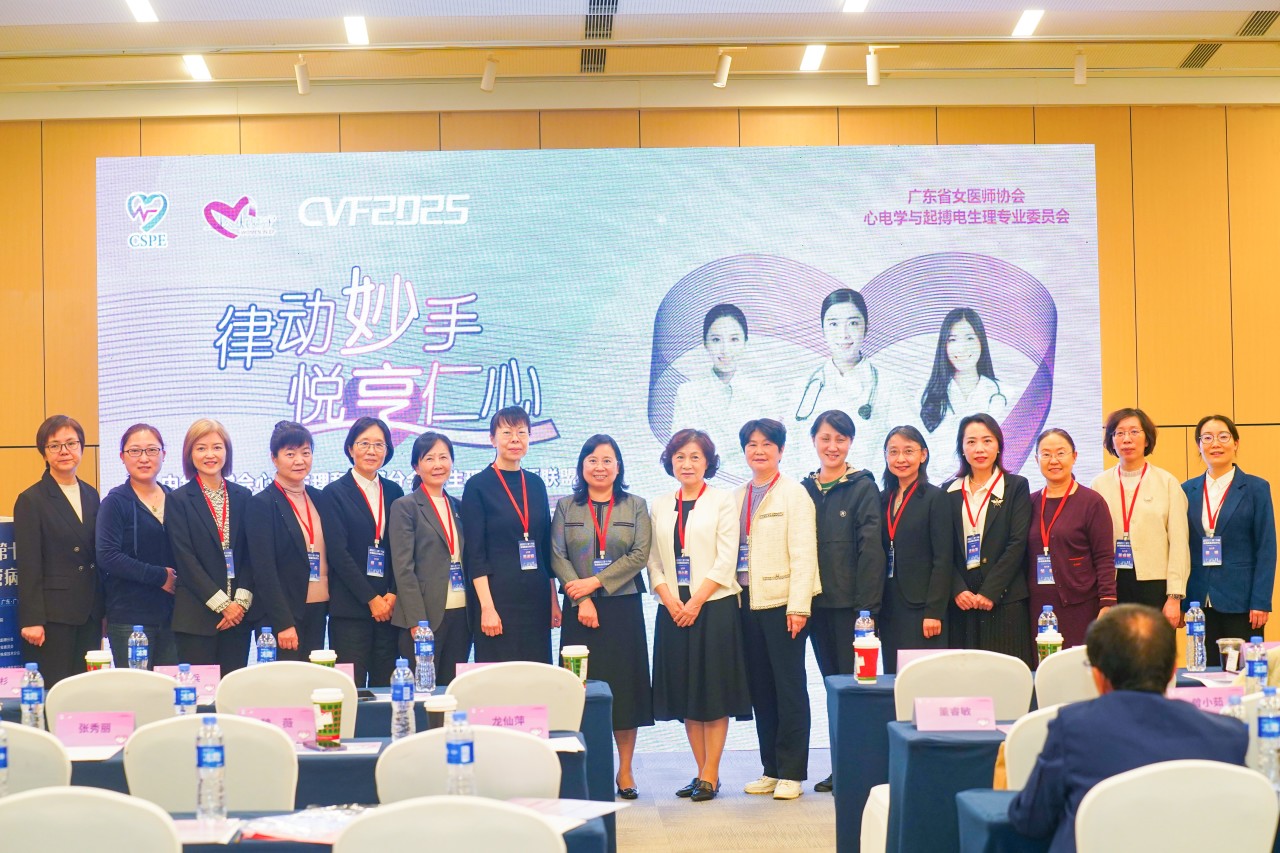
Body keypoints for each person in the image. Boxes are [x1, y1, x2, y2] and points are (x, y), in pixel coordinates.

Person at [1008, 604, 1247, 853]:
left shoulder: (1074, 728)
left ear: (1098, 675)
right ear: (1172, 672)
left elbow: (1030, 820)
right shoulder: (1229, 736)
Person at [648, 429, 750, 803]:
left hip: (714, 608)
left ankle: (711, 773)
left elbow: (726, 559)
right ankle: (701, 770)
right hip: (672, 611)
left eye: (695, 457)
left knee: (713, 692)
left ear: (707, 462)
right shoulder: (660, 505)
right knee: (687, 693)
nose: (687, 464)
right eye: (680, 457)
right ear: (670, 462)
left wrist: (695, 603)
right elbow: (653, 562)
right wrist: (670, 600)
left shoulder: (723, 501)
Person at [551, 435, 654, 799]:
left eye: (607, 460)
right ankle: (585, 768)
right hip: (578, 607)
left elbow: (639, 554)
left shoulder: (635, 505)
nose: (600, 467)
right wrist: (582, 598)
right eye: (592, 460)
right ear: (582, 466)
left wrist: (595, 583)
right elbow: (557, 556)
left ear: (618, 466)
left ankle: (625, 770)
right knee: (578, 690)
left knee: (624, 690)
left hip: (622, 608)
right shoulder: (566, 506)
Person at [736, 418, 821, 802]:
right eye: (752, 444)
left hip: (783, 606)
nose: (759, 451)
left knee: (789, 688)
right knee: (762, 690)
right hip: (746, 604)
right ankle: (770, 769)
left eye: (767, 444)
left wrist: (799, 606)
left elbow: (805, 554)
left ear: (781, 450)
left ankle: (792, 772)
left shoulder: (794, 494)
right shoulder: (737, 496)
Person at [802, 409, 884, 793]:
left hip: (852, 609)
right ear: (814, 441)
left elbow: (872, 550)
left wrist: (866, 610)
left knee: (855, 690)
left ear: (850, 442)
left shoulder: (863, 487)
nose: (832, 446)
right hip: (815, 606)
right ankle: (841, 767)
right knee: (832, 688)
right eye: (825, 438)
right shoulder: (804, 488)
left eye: (840, 439)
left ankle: (857, 770)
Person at [248, 421, 363, 660]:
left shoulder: (320, 498)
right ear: (274, 458)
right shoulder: (262, 504)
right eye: (290, 454)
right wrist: (283, 623)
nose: (299, 460)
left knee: (312, 677)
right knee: (285, 681)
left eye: (306, 453)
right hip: (282, 616)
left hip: (318, 608)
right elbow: (263, 570)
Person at [460, 406, 561, 664]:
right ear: (492, 439)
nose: (515, 439)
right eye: (507, 433)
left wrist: (553, 600)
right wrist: (487, 607)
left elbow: (544, 549)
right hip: (498, 599)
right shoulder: (477, 486)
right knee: (500, 677)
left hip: (536, 598)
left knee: (536, 674)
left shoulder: (536, 484)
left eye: (522, 432)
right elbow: (475, 554)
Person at [15, 415, 103, 687]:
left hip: (89, 611)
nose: (64, 451)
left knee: (85, 691)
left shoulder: (91, 494)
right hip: (53, 617)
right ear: (44, 452)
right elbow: (28, 564)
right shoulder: (31, 499)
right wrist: (32, 620)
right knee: (55, 690)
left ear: (82, 447)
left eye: (71, 443)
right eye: (55, 445)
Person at [1182, 414, 1276, 665]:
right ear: (1199, 445)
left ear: (1235, 443)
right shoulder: (1186, 490)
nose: (1215, 444)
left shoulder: (1256, 488)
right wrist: (1180, 600)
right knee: (1204, 671)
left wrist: (1261, 601)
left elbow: (1266, 548)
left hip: (1242, 602)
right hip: (1199, 601)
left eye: (1223, 437)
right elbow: (1180, 548)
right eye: (1207, 438)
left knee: (1240, 671)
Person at [167, 419, 255, 675]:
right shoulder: (178, 500)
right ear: (189, 454)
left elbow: (251, 555)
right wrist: (223, 605)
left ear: (227, 452)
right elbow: (185, 559)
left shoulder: (243, 496)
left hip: (238, 618)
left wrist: (239, 604)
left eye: (217, 447)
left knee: (233, 690)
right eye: (201, 448)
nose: (210, 455)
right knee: (199, 693)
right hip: (196, 618)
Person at [945, 413, 1034, 667]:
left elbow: (1017, 543)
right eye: (971, 442)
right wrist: (957, 589)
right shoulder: (948, 491)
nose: (979, 449)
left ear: (999, 446)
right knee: (965, 680)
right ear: (962, 448)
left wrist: (990, 591)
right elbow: (942, 549)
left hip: (1004, 601)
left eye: (987, 440)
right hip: (962, 604)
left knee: (1006, 679)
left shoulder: (1016, 486)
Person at [1089, 408, 1189, 627]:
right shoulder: (1098, 484)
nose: (1127, 439)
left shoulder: (1167, 482)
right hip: (1112, 585)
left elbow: (1179, 544)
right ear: (1111, 440)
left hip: (1155, 586)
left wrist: (1174, 597)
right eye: (1119, 433)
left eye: (1134, 432)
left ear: (1147, 439)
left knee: (1154, 646)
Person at [323, 417, 404, 687]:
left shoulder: (394, 491)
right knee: (350, 689)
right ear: (350, 448)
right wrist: (371, 599)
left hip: (390, 611)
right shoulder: (334, 493)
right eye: (364, 443)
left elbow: (402, 548)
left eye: (379, 444)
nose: (372, 451)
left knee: (386, 690)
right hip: (350, 611)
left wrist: (393, 593)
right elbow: (338, 553)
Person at [794, 289, 910, 471]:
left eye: (853, 323)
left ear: (866, 327)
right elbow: (790, 451)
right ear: (822, 329)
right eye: (834, 324)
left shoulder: (890, 386)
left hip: (869, 488)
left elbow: (906, 450)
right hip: (810, 487)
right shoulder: (803, 387)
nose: (844, 334)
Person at [389, 432, 472, 685]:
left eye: (443, 457)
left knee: (452, 689)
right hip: (425, 616)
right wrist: (417, 621)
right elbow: (403, 569)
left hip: (462, 613)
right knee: (423, 690)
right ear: (416, 466)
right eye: (429, 458)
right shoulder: (405, 506)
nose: (438, 464)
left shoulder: (459, 506)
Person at [96, 423, 178, 668]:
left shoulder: (176, 499)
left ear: (164, 454)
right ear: (122, 457)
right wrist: (160, 576)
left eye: (152, 450)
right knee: (136, 687)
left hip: (174, 616)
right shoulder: (115, 502)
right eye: (135, 451)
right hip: (129, 617)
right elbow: (107, 556)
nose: (144, 458)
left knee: (172, 687)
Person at [1026, 429, 1117, 650]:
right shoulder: (1028, 503)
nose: (1053, 460)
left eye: (1061, 453)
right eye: (1046, 454)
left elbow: (1104, 557)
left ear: (1074, 456)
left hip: (1080, 606)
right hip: (1037, 607)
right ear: (1036, 459)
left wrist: (1107, 602)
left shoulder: (1091, 502)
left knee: (1078, 666)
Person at [670, 303, 773, 481]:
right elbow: (680, 453)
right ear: (705, 343)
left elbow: (770, 454)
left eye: (734, 339)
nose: (725, 350)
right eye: (716, 340)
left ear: (745, 342)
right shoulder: (688, 393)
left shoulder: (763, 393)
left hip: (753, 487)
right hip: (702, 488)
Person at [879, 425, 953, 672]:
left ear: (923, 455)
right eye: (893, 452)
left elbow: (943, 559)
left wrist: (934, 611)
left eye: (908, 451)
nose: (901, 459)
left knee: (925, 680)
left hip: (922, 608)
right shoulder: (882, 499)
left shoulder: (935, 497)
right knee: (894, 679)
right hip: (889, 606)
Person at [919, 308, 1009, 439]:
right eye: (953, 340)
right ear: (944, 345)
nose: (961, 348)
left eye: (970, 338)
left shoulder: (1005, 393)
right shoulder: (925, 396)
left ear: (981, 341)